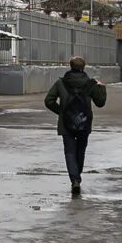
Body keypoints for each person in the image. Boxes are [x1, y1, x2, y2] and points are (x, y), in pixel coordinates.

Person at [44, 56, 108, 197]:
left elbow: (48, 101)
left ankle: (74, 180)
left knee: (69, 152)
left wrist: (61, 112)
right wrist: (101, 87)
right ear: (84, 67)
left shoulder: (61, 83)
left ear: (70, 66)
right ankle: (77, 177)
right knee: (80, 150)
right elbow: (100, 103)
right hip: (84, 123)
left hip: (66, 124)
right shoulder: (91, 84)